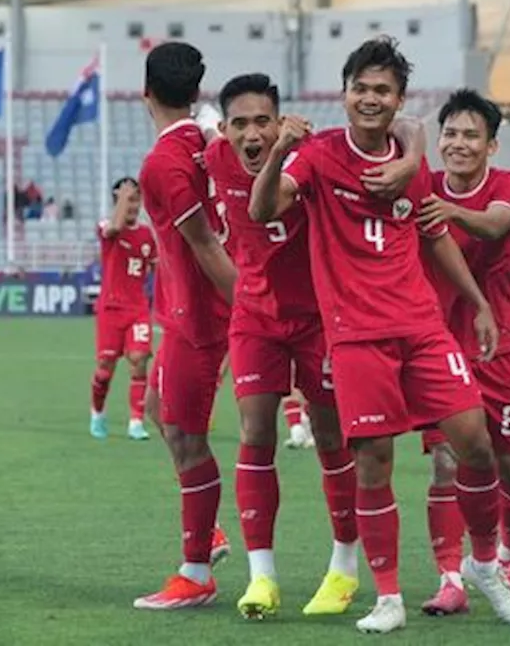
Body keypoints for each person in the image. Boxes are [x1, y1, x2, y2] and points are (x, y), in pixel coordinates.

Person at [249, 36, 510, 634]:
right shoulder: (319, 156)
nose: (370, 99)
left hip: (423, 328)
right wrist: (277, 153)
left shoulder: (413, 165)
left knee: (475, 442)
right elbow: (262, 210)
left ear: (398, 99)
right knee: (373, 463)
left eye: (382, 90)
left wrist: (478, 303)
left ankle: (485, 564)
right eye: (361, 89)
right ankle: (388, 597)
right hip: (355, 337)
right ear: (344, 94)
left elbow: (434, 234)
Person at [203, 72, 420, 619]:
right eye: (240, 124)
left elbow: (411, 125)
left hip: (323, 319)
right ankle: (262, 578)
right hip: (255, 318)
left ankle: (344, 569)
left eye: (262, 122)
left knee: (331, 438)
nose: (252, 134)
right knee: (255, 433)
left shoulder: (314, 152)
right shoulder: (213, 160)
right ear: (224, 129)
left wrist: (414, 158)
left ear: (280, 121)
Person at [414, 90, 510, 614]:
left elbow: (496, 224)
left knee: (509, 465)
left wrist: (449, 211)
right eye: (451, 134)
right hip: (440, 343)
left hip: (501, 342)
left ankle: (507, 558)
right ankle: (451, 579)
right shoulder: (423, 184)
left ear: (491, 145)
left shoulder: (509, 186)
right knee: (445, 461)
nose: (458, 144)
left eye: (470, 136)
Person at [132, 42, 236, 610]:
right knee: (157, 409)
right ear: (196, 92)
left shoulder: (163, 165)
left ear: (145, 92)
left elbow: (206, 247)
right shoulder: (205, 140)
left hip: (199, 316)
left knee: (187, 438)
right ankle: (210, 532)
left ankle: (197, 569)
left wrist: (250, 313)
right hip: (186, 312)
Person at [88, 177, 157, 442]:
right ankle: (97, 412)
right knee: (105, 369)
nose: (132, 205)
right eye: (128, 199)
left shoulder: (146, 234)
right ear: (117, 200)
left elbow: (157, 267)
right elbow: (114, 228)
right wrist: (122, 198)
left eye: (136, 199)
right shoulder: (107, 225)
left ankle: (136, 422)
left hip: (137, 309)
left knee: (139, 360)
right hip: (110, 309)